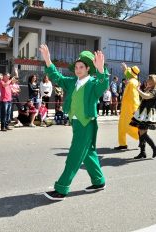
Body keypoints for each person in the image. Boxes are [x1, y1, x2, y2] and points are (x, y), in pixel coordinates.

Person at [40, 44, 109, 200]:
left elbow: (103, 84)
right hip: (76, 123)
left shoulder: (93, 83)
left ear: (88, 69)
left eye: (81, 67)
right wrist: (48, 61)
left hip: (86, 124)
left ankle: (62, 188)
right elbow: (57, 77)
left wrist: (101, 70)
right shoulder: (72, 82)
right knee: (88, 153)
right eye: (77, 67)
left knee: (74, 155)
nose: (78, 69)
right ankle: (99, 181)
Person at [130, 74, 156, 159]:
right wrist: (137, 111)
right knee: (140, 132)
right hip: (142, 112)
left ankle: (154, 148)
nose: (147, 81)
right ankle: (142, 152)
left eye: (148, 80)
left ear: (153, 81)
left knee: (142, 133)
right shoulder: (150, 88)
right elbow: (143, 100)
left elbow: (146, 96)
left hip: (147, 113)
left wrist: (138, 90)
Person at [114, 63, 140, 150]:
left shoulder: (132, 83)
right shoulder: (132, 81)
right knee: (121, 126)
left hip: (129, 109)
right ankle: (123, 144)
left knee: (128, 127)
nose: (126, 73)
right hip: (125, 109)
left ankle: (142, 137)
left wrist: (135, 109)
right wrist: (125, 69)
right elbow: (128, 73)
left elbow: (134, 97)